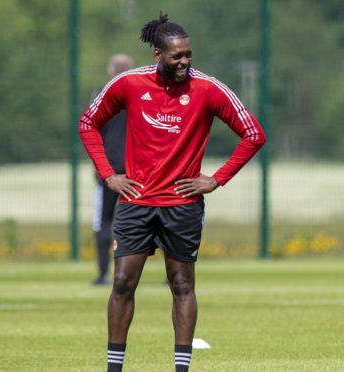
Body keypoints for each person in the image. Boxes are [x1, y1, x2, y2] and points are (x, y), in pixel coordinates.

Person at [79, 13, 266, 372]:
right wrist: (108, 175)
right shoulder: (129, 84)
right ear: (157, 55)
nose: (185, 62)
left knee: (181, 284)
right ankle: (114, 367)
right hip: (135, 201)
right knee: (121, 282)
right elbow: (89, 123)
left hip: (182, 206)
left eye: (188, 54)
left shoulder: (208, 88)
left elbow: (254, 134)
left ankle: (181, 367)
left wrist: (217, 178)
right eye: (177, 56)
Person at [90, 54, 134, 286]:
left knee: (103, 221)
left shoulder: (100, 96)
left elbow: (91, 130)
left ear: (110, 72)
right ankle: (166, 275)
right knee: (148, 219)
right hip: (137, 170)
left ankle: (104, 274)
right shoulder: (142, 95)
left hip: (107, 171)